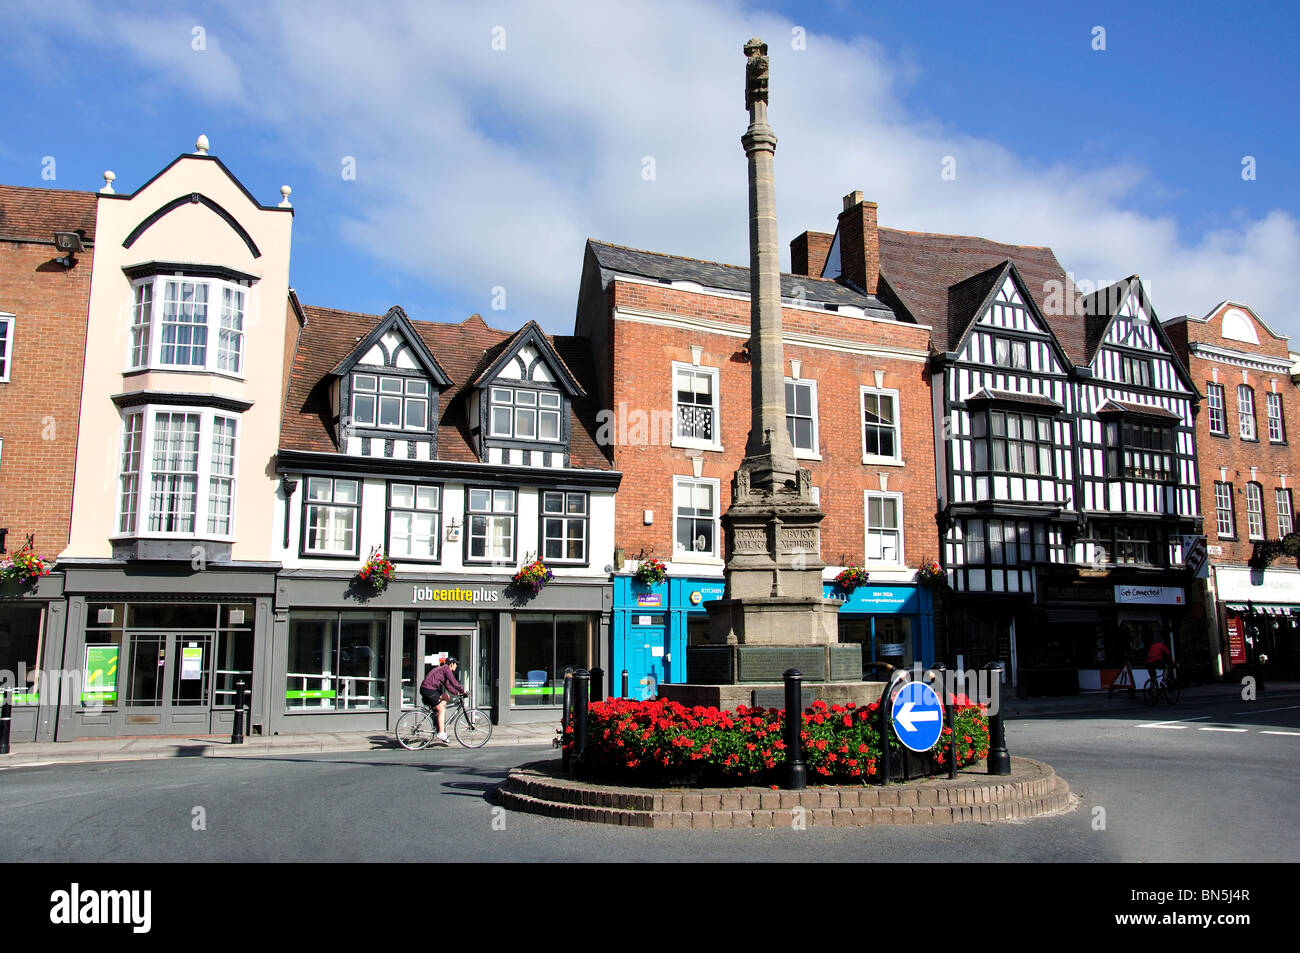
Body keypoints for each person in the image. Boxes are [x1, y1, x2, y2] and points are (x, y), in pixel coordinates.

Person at [420, 657, 467, 743]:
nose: (456, 666)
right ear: (451, 664)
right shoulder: (446, 669)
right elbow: (454, 682)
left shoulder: (443, 670)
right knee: (442, 709)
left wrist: (456, 693)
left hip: (429, 689)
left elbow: (448, 685)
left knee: (447, 697)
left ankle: (437, 718)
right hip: (429, 690)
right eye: (456, 664)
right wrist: (462, 691)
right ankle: (441, 732)